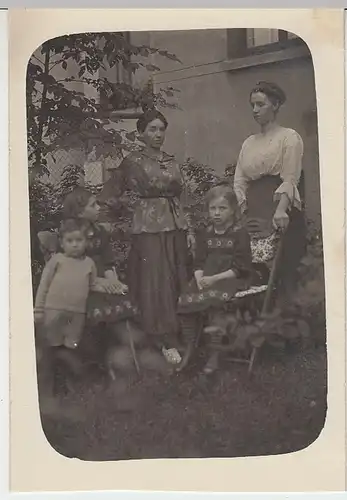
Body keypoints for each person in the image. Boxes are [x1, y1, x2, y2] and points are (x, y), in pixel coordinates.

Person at [99, 109, 195, 363]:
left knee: (176, 278)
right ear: (141, 133)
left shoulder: (171, 160)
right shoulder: (133, 162)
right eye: (151, 129)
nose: (157, 134)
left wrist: (190, 227)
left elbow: (183, 196)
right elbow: (109, 193)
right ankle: (163, 339)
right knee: (156, 283)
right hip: (149, 227)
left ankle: (181, 333)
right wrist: (110, 220)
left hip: (175, 225)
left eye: (161, 129)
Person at [233, 81, 306, 302]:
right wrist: (244, 210)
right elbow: (239, 181)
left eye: (260, 104)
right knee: (254, 271)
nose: (255, 110)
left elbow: (290, 177)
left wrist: (281, 210)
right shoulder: (248, 143)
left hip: (278, 210)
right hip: (254, 213)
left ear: (274, 105)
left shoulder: (288, 137)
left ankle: (281, 324)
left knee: (281, 272)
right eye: (252, 105)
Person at [177, 184, 254, 374]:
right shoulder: (206, 233)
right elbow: (199, 261)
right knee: (186, 299)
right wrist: (200, 278)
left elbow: (241, 267)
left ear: (233, 210)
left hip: (231, 277)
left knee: (216, 302)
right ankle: (189, 348)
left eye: (222, 208)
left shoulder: (239, 233)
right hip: (207, 277)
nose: (217, 213)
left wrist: (213, 280)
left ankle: (215, 352)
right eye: (213, 208)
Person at [34, 218, 105, 414]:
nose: (75, 245)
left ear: (86, 242)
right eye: (70, 241)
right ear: (62, 243)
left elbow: (93, 285)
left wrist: (112, 286)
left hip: (77, 314)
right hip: (54, 311)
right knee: (51, 348)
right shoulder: (57, 260)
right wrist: (39, 309)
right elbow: (44, 285)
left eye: (79, 240)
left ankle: (66, 385)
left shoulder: (89, 264)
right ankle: (48, 389)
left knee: (70, 348)